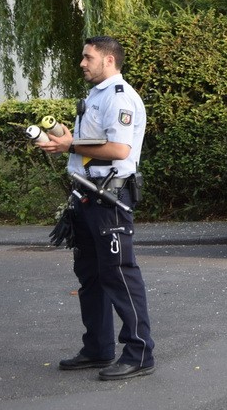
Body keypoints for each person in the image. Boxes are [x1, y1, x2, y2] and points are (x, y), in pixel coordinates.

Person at [36, 36, 155, 379]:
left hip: (109, 199)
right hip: (86, 195)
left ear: (108, 61)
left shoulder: (122, 98)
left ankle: (139, 353)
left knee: (119, 274)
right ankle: (99, 349)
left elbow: (119, 149)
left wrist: (71, 143)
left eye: (88, 57)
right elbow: (91, 146)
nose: (82, 63)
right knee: (90, 276)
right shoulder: (96, 95)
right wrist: (65, 144)